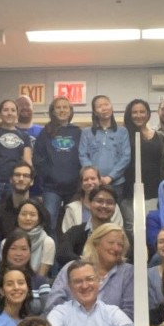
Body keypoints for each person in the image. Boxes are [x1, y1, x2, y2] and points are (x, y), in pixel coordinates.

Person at [47, 223, 135, 319]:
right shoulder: (71, 267)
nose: (116, 248)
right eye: (111, 243)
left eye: (120, 245)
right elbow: (53, 305)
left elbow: (130, 312)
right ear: (96, 243)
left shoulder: (128, 272)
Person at [80, 95, 131, 225]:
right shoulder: (86, 132)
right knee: (92, 217)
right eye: (99, 106)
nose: (104, 108)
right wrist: (94, 177)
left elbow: (126, 156)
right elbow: (82, 155)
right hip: (92, 184)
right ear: (94, 111)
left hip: (116, 184)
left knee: (114, 219)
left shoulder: (122, 131)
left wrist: (110, 177)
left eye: (106, 104)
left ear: (112, 107)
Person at [35, 96, 82, 227]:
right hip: (51, 188)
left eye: (65, 107)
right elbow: (38, 158)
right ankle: (51, 248)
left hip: (74, 188)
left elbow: (83, 157)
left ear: (70, 111)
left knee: (75, 224)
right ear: (53, 111)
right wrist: (49, 175)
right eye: (58, 107)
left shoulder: (78, 132)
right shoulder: (45, 133)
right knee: (49, 223)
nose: (62, 110)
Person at [0, 99, 33, 209]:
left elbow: (28, 162)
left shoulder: (24, 136)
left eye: (13, 110)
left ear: (17, 114)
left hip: (16, 183)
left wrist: (28, 182)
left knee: (15, 214)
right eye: (5, 110)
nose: (9, 113)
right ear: (0, 114)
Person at [57, 185, 125, 268]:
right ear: (89, 204)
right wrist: (88, 266)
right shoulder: (75, 231)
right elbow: (62, 254)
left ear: (115, 207)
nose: (104, 206)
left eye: (109, 203)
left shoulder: (123, 236)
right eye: (99, 201)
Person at [123, 99, 164, 210]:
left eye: (142, 111)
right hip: (129, 194)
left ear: (148, 113)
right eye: (134, 112)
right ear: (129, 115)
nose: (139, 115)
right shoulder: (123, 136)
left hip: (154, 192)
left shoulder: (159, 137)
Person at [0, 230, 50, 313]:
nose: (18, 253)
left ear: (30, 252)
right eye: (13, 248)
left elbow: (48, 310)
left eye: (24, 249)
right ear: (5, 251)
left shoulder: (40, 281)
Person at [0, 161, 42, 241]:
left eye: (26, 176)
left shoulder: (40, 210)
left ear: (32, 181)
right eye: (17, 175)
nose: (21, 179)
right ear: (10, 179)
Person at [60, 166, 123, 234]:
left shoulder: (112, 207)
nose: (90, 182)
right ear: (81, 184)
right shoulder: (71, 209)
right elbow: (67, 236)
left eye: (93, 178)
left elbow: (118, 233)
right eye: (86, 179)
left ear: (100, 181)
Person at [12, 198, 54, 277]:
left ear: (39, 218)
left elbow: (41, 277)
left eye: (32, 215)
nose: (27, 218)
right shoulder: (6, 242)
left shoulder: (48, 242)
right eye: (23, 214)